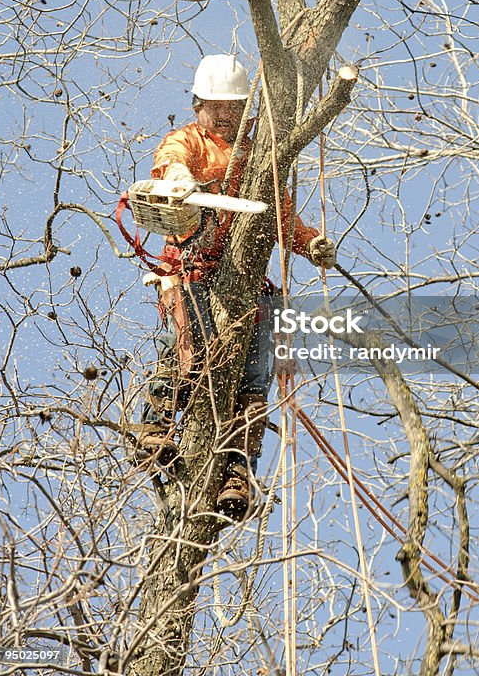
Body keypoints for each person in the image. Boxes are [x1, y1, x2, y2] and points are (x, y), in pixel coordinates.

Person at [137, 54, 335, 520]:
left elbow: (280, 216)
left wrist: (311, 245)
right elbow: (170, 163)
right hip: (190, 270)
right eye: (216, 107)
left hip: (245, 284)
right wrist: (182, 180)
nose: (225, 116)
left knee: (252, 377)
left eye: (233, 108)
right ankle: (158, 427)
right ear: (198, 105)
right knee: (187, 348)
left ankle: (236, 471)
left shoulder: (254, 157)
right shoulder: (187, 141)